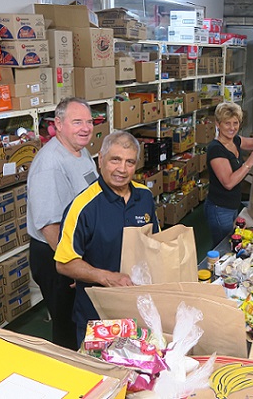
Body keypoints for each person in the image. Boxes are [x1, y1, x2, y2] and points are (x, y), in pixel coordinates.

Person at [54, 131, 159, 346]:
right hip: (98, 317)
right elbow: (64, 263)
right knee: (98, 366)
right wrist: (106, 277)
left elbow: (155, 243)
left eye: (130, 162)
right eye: (115, 160)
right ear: (100, 160)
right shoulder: (83, 206)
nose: (122, 169)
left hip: (139, 310)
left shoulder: (145, 197)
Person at [27, 97, 97, 350]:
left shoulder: (80, 150)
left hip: (76, 248)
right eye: (77, 122)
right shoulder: (49, 165)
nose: (86, 128)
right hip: (56, 255)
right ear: (58, 124)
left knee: (84, 319)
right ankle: (69, 366)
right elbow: (50, 228)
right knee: (68, 326)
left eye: (89, 122)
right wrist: (72, 266)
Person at [204, 102, 253, 248]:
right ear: (218, 124)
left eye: (236, 123)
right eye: (227, 123)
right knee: (223, 247)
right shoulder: (216, 150)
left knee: (234, 244)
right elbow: (228, 183)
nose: (232, 128)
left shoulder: (235, 141)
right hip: (220, 209)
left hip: (232, 206)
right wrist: (250, 161)